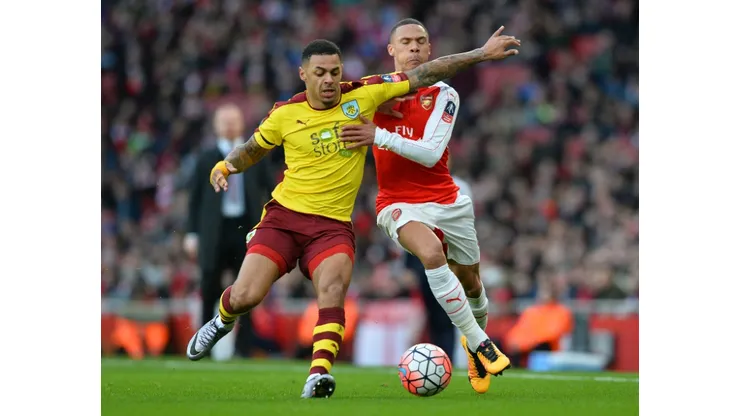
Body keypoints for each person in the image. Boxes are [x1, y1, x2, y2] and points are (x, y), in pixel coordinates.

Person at [188, 30, 521, 399]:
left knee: (332, 291)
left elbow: (426, 73)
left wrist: (480, 53)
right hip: (284, 219)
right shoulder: (285, 113)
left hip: (332, 227)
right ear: (304, 74)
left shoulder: (364, 94)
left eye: (334, 72)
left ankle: (318, 376)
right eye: (320, 73)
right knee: (245, 296)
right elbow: (252, 148)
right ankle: (221, 320)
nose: (329, 80)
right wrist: (226, 166)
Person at [339, 19, 508, 394]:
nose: (413, 47)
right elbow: (333, 103)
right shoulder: (372, 92)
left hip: (447, 201)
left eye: (420, 41)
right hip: (396, 203)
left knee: (472, 283)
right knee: (431, 253)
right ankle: (481, 342)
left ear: (430, 49)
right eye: (405, 42)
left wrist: (378, 134)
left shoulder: (446, 94)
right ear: (391, 50)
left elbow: (430, 154)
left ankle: (473, 347)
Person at [184, 104, 273, 357]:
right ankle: (203, 345)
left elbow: (271, 190)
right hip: (214, 231)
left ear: (241, 123)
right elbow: (195, 199)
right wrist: (192, 233)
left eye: (233, 120)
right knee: (209, 286)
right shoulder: (205, 157)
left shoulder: (255, 154)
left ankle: (243, 348)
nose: (229, 125)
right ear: (216, 125)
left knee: (247, 288)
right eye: (224, 120)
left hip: (247, 228)